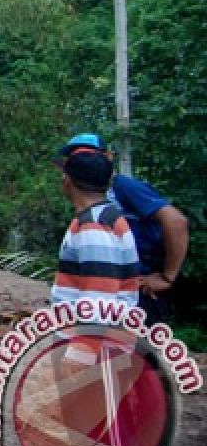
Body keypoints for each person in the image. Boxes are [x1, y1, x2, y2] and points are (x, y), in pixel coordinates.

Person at [52, 145, 150, 446]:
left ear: (68, 181)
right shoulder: (104, 216)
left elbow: (99, 296)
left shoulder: (94, 226)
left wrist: (81, 357)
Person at [56, 133, 190, 324]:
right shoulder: (96, 205)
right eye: (75, 157)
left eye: (89, 154)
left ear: (107, 158)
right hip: (118, 286)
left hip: (138, 287)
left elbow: (176, 221)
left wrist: (167, 277)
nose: (83, 160)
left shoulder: (123, 187)